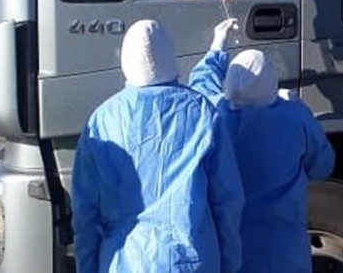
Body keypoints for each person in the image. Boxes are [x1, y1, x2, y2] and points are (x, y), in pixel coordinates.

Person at [71, 19, 245, 273]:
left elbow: (85, 214)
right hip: (194, 261)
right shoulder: (202, 112)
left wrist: (86, 268)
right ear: (169, 56)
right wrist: (230, 264)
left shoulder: (102, 120)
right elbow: (228, 201)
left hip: (125, 262)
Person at [189, 20, 336, 272]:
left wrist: (217, 46)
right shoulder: (293, 117)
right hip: (283, 252)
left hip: (233, 251)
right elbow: (322, 166)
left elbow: (200, 83)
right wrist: (299, 109)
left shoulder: (215, 114)